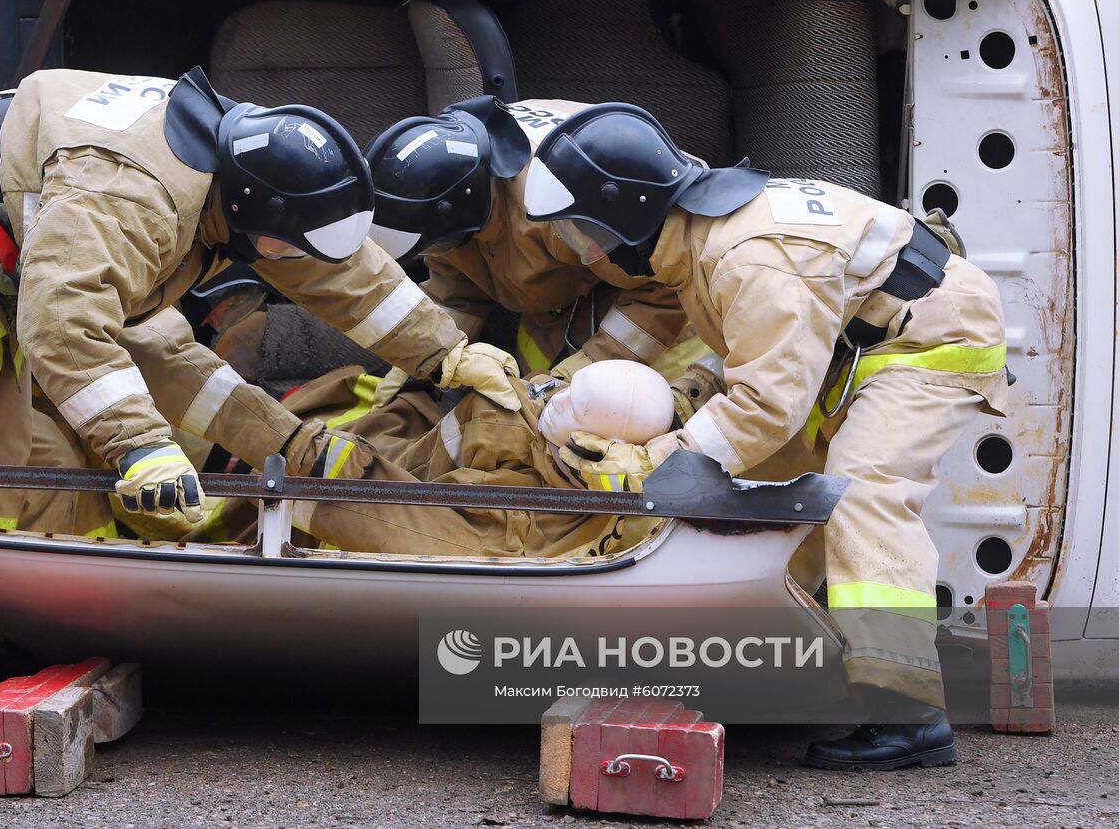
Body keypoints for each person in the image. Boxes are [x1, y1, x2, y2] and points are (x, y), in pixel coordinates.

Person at [0, 67, 522, 760]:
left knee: (3, 463)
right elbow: (65, 321)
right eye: (283, 244)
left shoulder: (245, 176)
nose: (289, 261)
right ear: (253, 215)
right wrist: (139, 445)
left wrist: (447, 353)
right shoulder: (132, 196)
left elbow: (340, 274)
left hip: (23, 254)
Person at [517, 102, 1007, 770]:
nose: (586, 251)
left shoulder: (747, 253)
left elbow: (768, 404)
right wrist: (692, 396)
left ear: (623, 213)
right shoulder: (698, 237)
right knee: (772, 486)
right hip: (858, 345)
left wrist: (657, 462)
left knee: (863, 491)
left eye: (583, 233)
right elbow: (753, 344)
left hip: (932, 340)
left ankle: (908, 713)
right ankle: (785, 658)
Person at [366, 97, 695, 385]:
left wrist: (583, 375)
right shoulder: (454, 174)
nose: (437, 253)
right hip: (561, 304)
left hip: (674, 310)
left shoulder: (558, 209)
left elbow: (664, 286)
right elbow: (456, 289)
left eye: (438, 243)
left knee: (621, 414)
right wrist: (418, 368)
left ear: (462, 209)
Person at [269, 358, 679, 559]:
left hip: (328, 475)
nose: (559, 397)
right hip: (386, 443)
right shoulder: (515, 404)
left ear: (597, 443)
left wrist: (304, 461)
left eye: (578, 406)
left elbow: (387, 518)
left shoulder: (520, 516)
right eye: (569, 387)